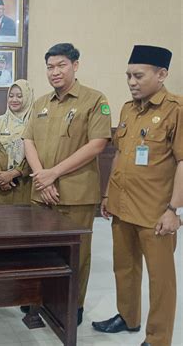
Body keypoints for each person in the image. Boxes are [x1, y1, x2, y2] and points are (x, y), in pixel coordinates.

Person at [92, 45, 182, 346]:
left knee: (161, 280)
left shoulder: (176, 109)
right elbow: (119, 154)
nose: (131, 81)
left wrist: (173, 209)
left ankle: (158, 339)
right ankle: (128, 317)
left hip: (155, 212)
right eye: (128, 75)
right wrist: (107, 195)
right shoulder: (128, 109)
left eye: (138, 75)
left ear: (162, 74)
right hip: (122, 205)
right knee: (124, 268)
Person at [23, 43, 111, 325]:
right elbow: (28, 141)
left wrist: (53, 174)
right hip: (41, 193)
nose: (55, 72)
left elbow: (97, 144)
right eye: (50, 67)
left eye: (61, 65)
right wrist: (41, 177)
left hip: (76, 194)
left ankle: (74, 305)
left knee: (77, 254)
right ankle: (39, 298)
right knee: (39, 251)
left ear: (76, 65)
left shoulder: (94, 100)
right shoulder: (40, 104)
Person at [0, 79, 34, 205]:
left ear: (28, 98)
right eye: (11, 96)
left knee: (24, 223)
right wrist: (0, 177)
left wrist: (14, 174)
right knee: (0, 223)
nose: (14, 100)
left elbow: (37, 153)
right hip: (1, 188)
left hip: (24, 185)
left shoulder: (34, 123)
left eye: (20, 96)